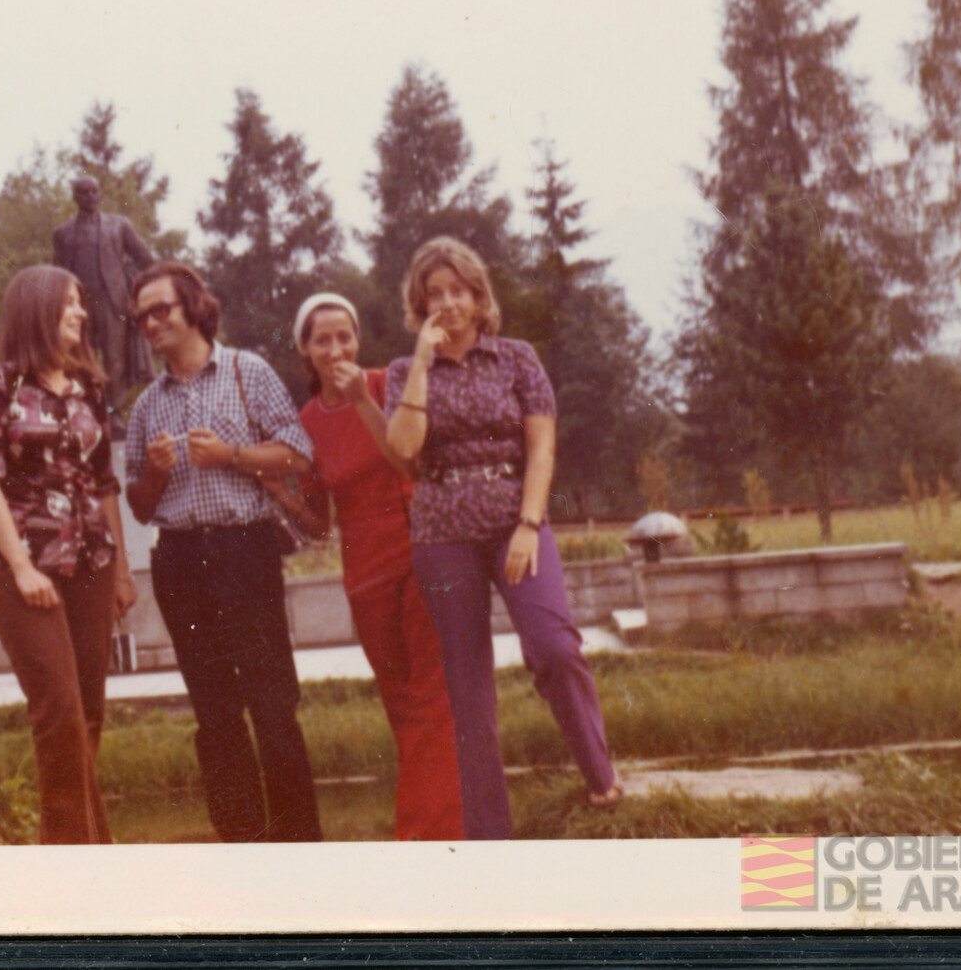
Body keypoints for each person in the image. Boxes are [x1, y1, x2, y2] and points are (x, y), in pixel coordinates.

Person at [383, 237, 623, 838]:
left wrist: (528, 525)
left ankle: (601, 777)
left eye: (457, 291)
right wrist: (419, 362)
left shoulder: (517, 358)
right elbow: (404, 450)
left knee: (555, 646)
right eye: (433, 295)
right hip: (442, 535)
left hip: (515, 523)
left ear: (478, 295)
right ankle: (492, 838)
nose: (446, 304)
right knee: (467, 689)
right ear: (420, 305)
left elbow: (542, 449)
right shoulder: (401, 372)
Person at [126, 260, 325, 843]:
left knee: (271, 703)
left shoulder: (247, 370)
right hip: (180, 559)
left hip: (244, 550)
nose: (150, 322)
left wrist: (232, 456)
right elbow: (139, 506)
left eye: (160, 309)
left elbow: (298, 455)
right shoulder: (145, 406)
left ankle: (299, 846)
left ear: (193, 307)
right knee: (214, 713)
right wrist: (157, 477)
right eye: (141, 317)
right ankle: (240, 845)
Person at [0, 265, 139, 843]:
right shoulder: (0, 385)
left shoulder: (89, 384)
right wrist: (20, 566)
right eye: (69, 303)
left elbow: (104, 482)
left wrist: (121, 571)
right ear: (38, 309)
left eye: (82, 303)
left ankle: (94, 854)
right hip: (26, 569)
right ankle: (70, 868)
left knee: (88, 715)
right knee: (59, 713)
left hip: (91, 565)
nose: (82, 314)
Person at [290, 293, 463, 840]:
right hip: (364, 573)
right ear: (305, 351)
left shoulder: (389, 383)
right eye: (323, 339)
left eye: (346, 336)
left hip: (419, 549)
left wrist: (363, 401)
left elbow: (412, 457)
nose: (337, 348)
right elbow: (318, 523)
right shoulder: (308, 421)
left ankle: (422, 836)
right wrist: (274, 485)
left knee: (432, 699)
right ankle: (445, 824)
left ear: (358, 340)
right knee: (399, 704)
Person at [51, 176, 159, 397]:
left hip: (112, 304)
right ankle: (85, 409)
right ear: (75, 197)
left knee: (115, 361)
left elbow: (146, 260)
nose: (90, 196)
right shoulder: (63, 233)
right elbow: (57, 274)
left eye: (94, 191)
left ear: (100, 194)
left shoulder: (119, 226)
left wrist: (128, 281)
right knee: (79, 360)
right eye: (84, 192)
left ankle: (115, 419)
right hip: (80, 308)